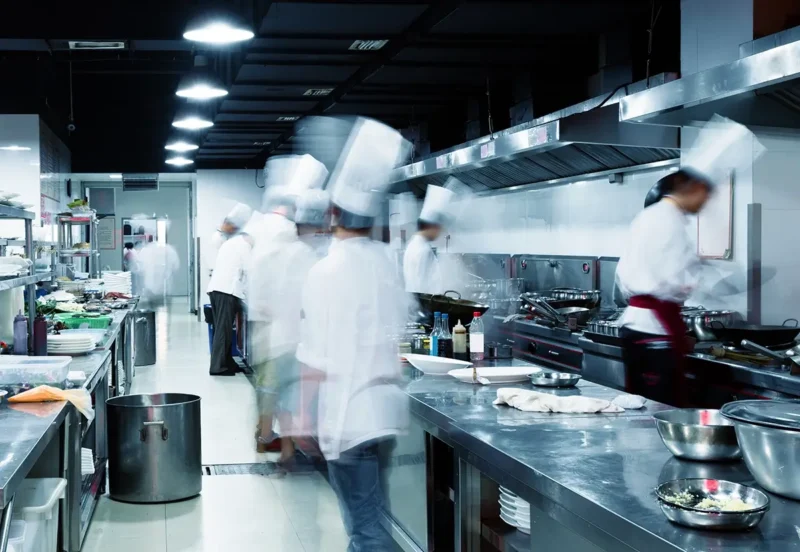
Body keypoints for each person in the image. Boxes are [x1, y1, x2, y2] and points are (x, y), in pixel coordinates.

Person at [297, 117, 410, 550]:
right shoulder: (386, 262)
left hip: (347, 417)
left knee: (366, 528)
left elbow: (314, 357)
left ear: (331, 214)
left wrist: (302, 418)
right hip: (384, 413)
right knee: (370, 516)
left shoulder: (325, 270)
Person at [616, 116, 764, 406]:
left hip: (639, 328)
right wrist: (714, 283)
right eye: (707, 195)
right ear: (694, 187)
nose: (706, 203)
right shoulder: (667, 221)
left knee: (646, 410)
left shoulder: (653, 216)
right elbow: (672, 281)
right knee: (658, 411)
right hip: (654, 331)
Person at [247, 155, 329, 455]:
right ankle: (286, 445)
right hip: (289, 335)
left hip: (276, 331)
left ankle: (279, 445)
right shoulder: (300, 250)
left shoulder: (279, 238)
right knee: (286, 391)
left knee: (277, 390)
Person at [207, 208, 254, 376]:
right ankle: (218, 367)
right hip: (226, 291)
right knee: (223, 329)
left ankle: (228, 362)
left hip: (218, 289)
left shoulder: (230, 244)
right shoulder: (243, 245)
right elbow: (249, 271)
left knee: (223, 328)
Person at [403, 179, 461, 294]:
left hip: (420, 306)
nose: (441, 233)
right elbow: (425, 288)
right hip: (427, 307)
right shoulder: (422, 250)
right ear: (432, 226)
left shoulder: (414, 244)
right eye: (440, 228)